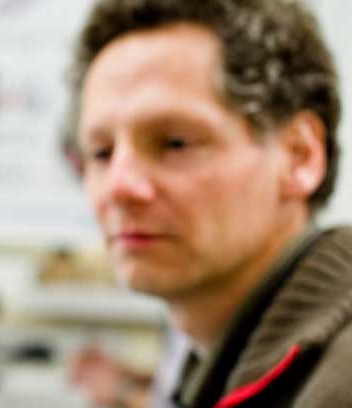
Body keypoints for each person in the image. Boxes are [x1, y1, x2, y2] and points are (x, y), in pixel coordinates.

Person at [65, 0, 352, 406]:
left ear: (299, 156)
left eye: (175, 143)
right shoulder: (219, 356)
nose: (118, 186)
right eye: (101, 153)